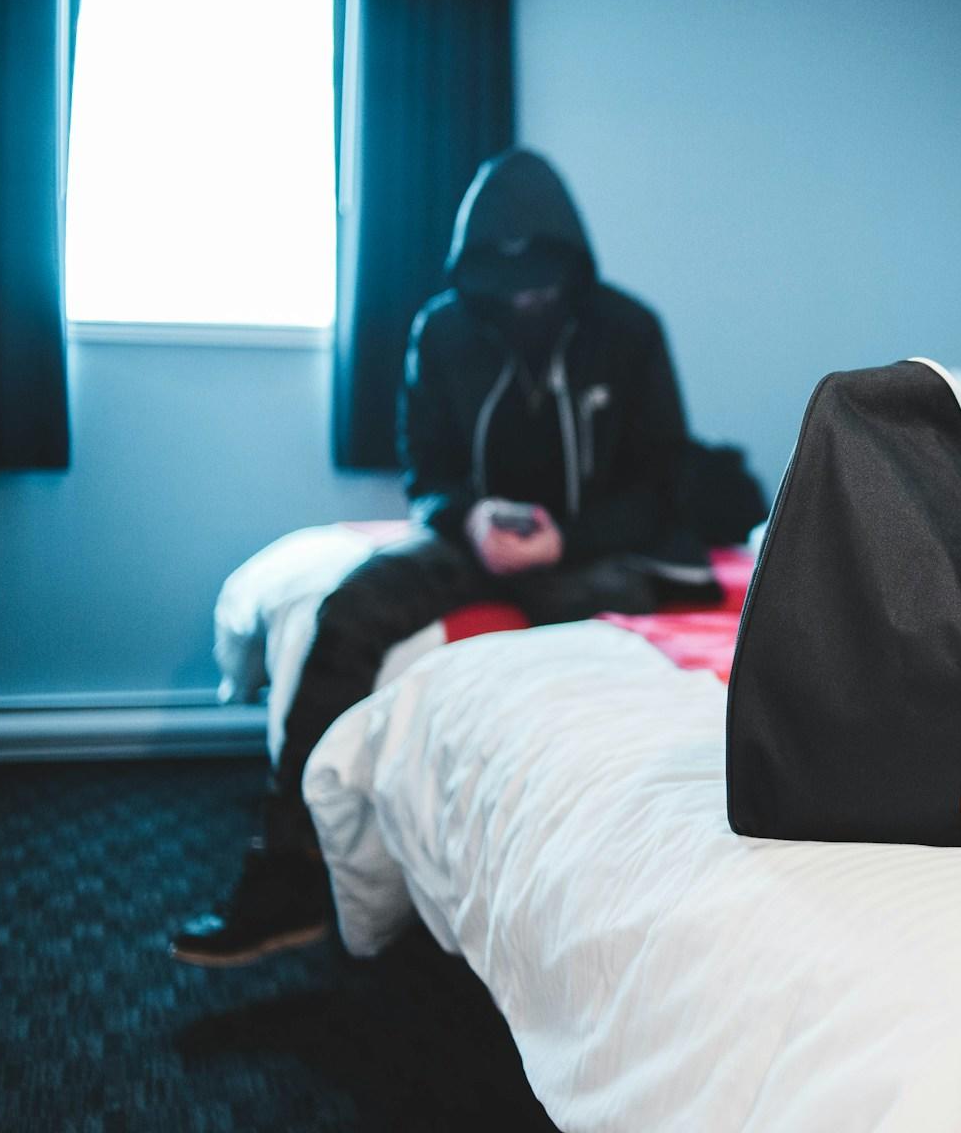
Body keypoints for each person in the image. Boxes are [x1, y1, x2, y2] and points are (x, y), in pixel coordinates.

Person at [172, 149, 708, 967]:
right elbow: (425, 469)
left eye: (543, 284)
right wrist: (470, 519)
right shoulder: (444, 330)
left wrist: (572, 536)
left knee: (596, 638)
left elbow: (666, 478)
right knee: (345, 614)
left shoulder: (629, 331)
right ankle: (287, 869)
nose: (528, 299)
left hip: (592, 542)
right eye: (510, 286)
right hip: (474, 539)